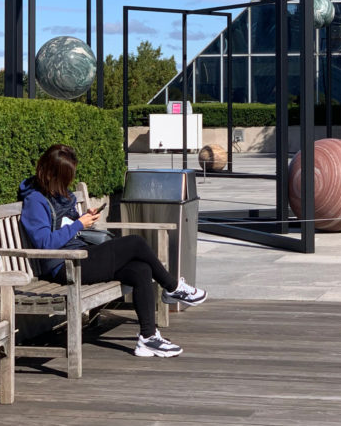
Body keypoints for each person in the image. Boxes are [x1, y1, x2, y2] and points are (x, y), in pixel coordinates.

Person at [19, 144, 207, 358]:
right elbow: (44, 243)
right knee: (135, 243)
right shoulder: (35, 201)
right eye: (65, 177)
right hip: (64, 266)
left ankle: (148, 338)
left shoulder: (61, 194)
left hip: (81, 255)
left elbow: (66, 224)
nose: (68, 182)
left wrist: (83, 218)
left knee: (141, 269)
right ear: (51, 173)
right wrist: (79, 224)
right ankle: (173, 287)